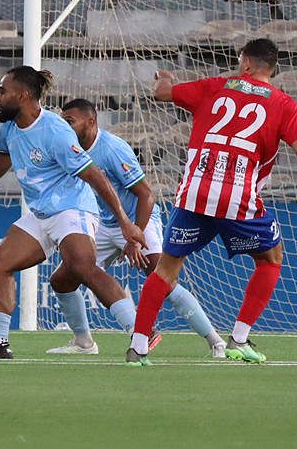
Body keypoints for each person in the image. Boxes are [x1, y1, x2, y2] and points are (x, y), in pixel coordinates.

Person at [125, 38, 297, 366]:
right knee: (271, 257)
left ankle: (138, 347)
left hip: (193, 193)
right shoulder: (282, 103)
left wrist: (166, 83)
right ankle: (239, 338)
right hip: (237, 197)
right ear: (270, 68)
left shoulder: (213, 87)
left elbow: (162, 94)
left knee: (166, 269)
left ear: (246, 63)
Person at [0, 66, 147, 358]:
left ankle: (139, 335)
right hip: (42, 212)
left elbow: (95, 176)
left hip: (72, 207)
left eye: (2, 91)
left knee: (82, 267)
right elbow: (2, 156)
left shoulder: (55, 132)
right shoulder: (10, 127)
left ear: (22, 96)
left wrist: (125, 222)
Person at [53, 99, 226, 358]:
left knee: (162, 277)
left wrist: (135, 236)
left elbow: (146, 194)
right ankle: (83, 341)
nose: (65, 127)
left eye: (70, 122)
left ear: (90, 122)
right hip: (102, 223)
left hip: (137, 220)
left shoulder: (112, 149)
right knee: (62, 279)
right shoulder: (69, 148)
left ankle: (215, 341)